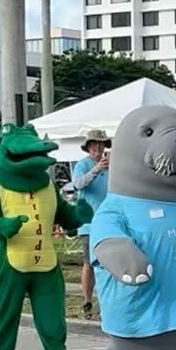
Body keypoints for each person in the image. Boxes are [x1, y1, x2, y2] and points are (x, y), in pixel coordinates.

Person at [71, 129, 110, 319]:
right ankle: (87, 300)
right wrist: (96, 169)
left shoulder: (112, 166)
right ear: (88, 147)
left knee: (108, 262)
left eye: (102, 144)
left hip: (109, 220)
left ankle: (106, 301)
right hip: (88, 222)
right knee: (89, 262)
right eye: (95, 144)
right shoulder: (81, 165)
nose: (98, 147)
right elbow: (78, 184)